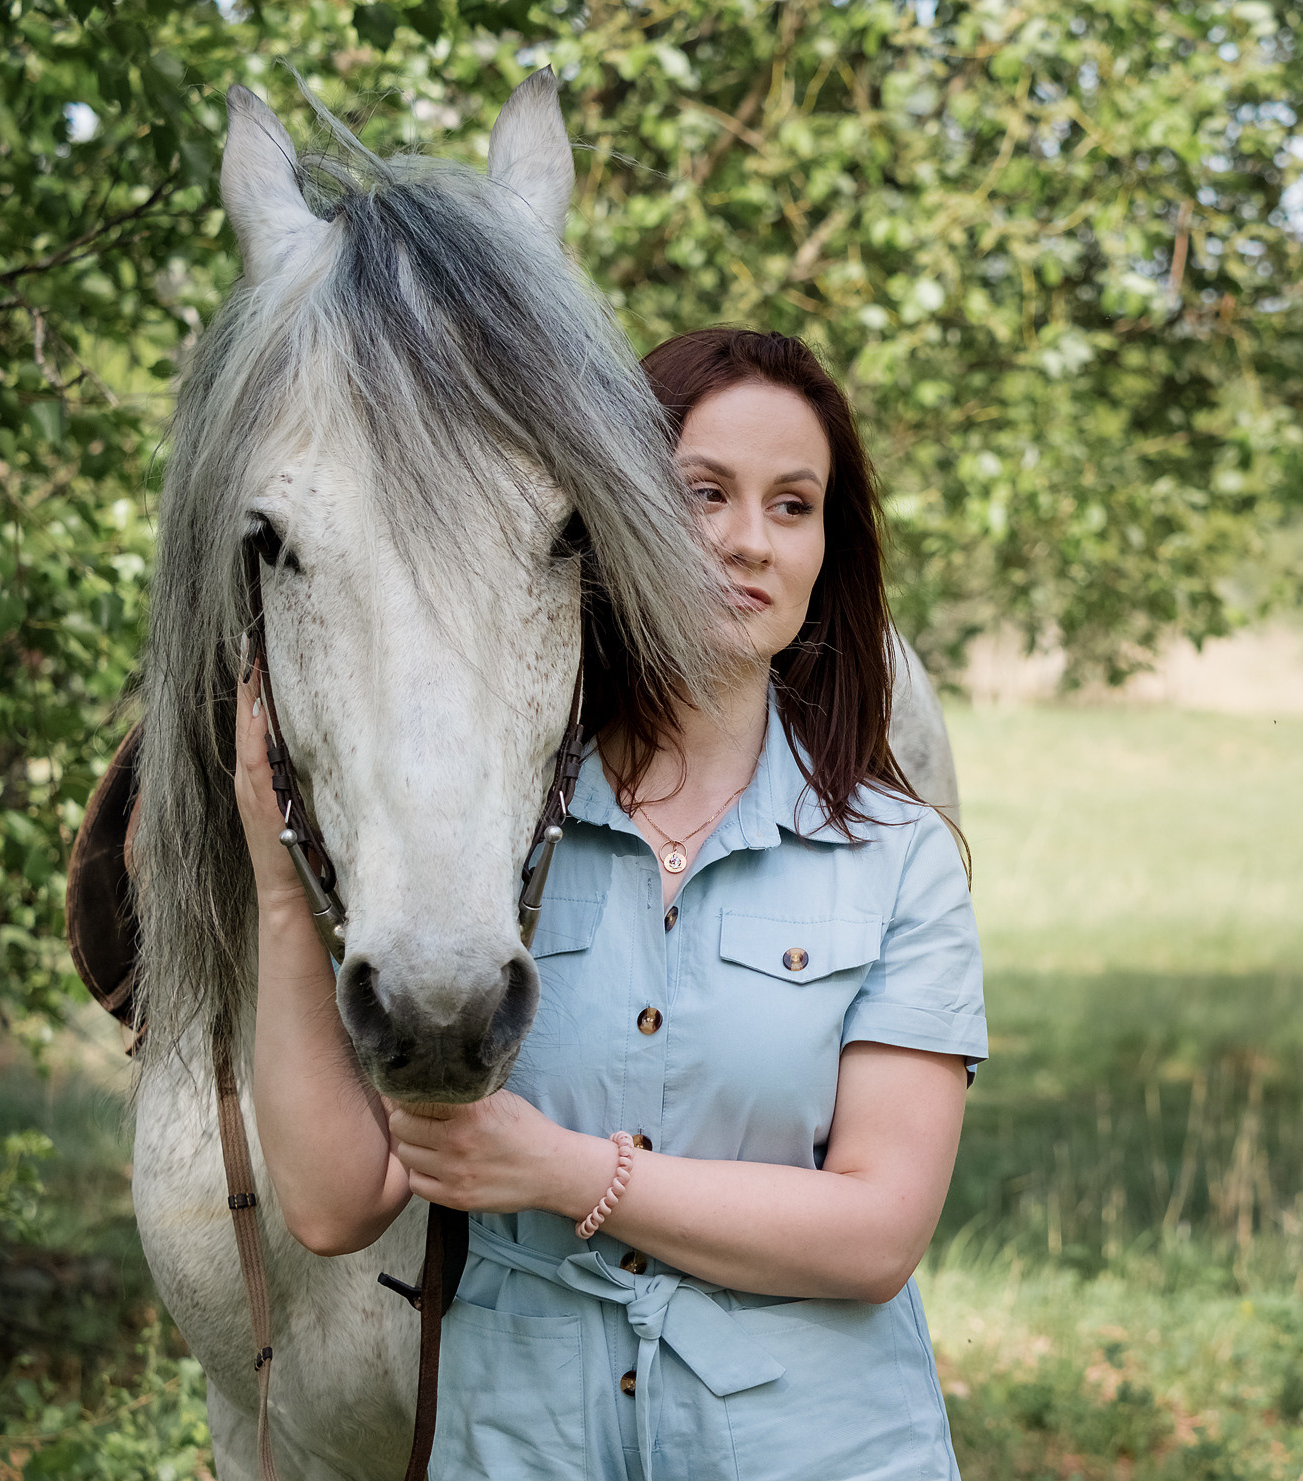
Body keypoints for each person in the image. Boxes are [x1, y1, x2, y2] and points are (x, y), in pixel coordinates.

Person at [236, 327, 986, 1479]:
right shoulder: (482, 851)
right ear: (611, 510)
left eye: (793, 506)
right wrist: (282, 891)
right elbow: (338, 1205)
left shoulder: (898, 858)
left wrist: (567, 1174)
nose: (747, 540)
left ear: (826, 548)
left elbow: (877, 1232)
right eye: (703, 492)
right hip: (530, 1448)